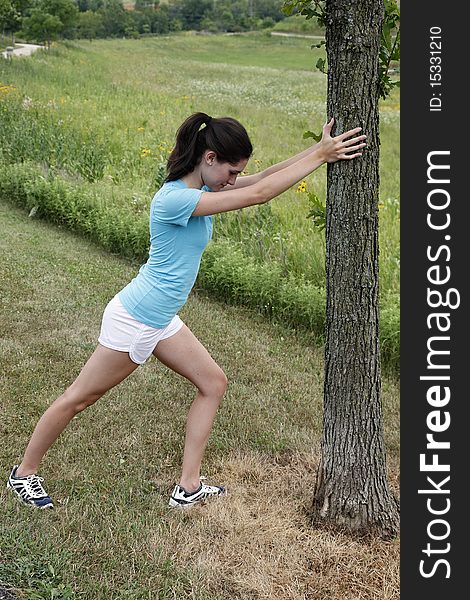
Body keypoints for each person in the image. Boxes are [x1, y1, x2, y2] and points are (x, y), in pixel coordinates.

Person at [7, 112, 366, 510]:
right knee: (79, 398)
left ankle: (188, 486)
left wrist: (318, 150)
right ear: (209, 158)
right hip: (137, 318)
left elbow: (261, 180)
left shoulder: (205, 187)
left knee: (213, 384)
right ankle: (23, 475)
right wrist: (321, 158)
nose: (234, 180)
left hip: (162, 319)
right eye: (231, 172)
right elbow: (257, 194)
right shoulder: (175, 198)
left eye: (237, 174)